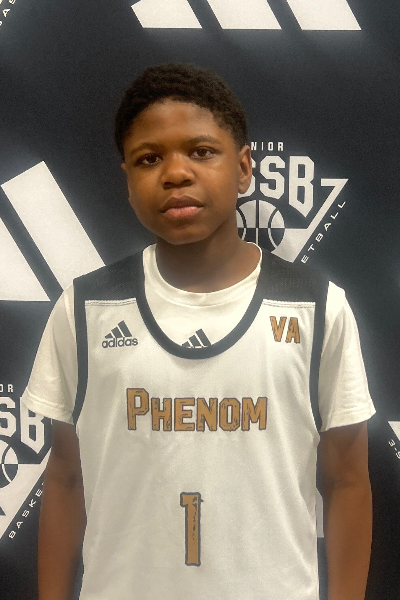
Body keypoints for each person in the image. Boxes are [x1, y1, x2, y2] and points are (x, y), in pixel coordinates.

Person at [22, 63, 375, 600]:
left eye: (202, 151)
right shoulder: (86, 308)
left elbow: (347, 481)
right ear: (127, 180)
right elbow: (66, 477)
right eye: (149, 159)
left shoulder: (316, 307)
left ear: (244, 167)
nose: (176, 173)